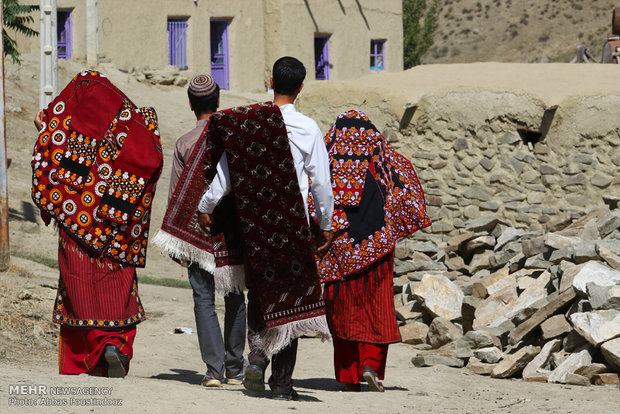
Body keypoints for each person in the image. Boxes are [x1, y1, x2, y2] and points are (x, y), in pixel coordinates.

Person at [197, 56, 334, 400]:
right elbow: (321, 184)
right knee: (292, 302)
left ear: (269, 82)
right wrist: (327, 224)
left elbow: (224, 178)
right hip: (293, 226)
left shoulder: (248, 124)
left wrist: (205, 208)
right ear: (301, 87)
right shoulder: (308, 128)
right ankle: (282, 385)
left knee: (260, 293)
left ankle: (256, 358)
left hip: (254, 225)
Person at [31, 71, 164, 377]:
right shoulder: (136, 125)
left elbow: (51, 159)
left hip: (78, 221)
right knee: (118, 288)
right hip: (118, 230)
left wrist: (44, 130)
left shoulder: (72, 114)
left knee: (79, 283)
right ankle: (117, 344)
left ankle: (97, 348)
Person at [314, 110, 431, 392]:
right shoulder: (385, 160)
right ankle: (371, 366)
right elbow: (410, 195)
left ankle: (348, 375)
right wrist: (392, 227)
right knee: (375, 307)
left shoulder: (325, 161)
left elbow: (313, 196)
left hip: (338, 250)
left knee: (342, 310)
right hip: (376, 249)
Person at [168, 74, 246, 388]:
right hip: (231, 231)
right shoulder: (235, 137)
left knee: (203, 298)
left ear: (190, 104)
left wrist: (176, 241)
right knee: (235, 295)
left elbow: (177, 195)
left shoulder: (185, 143)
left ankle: (213, 371)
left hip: (198, 235)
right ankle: (235, 368)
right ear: (218, 102)